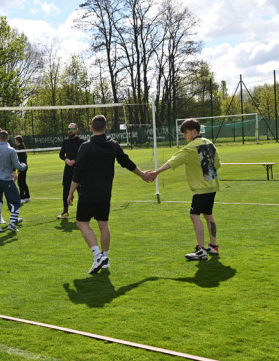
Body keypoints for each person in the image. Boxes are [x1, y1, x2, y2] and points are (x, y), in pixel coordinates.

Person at [68, 115, 151, 274]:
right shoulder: (113, 145)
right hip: (105, 193)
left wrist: (70, 193)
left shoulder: (85, 147)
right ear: (106, 128)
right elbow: (126, 162)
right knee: (103, 224)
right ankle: (104, 260)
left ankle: (98, 256)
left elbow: (78, 174)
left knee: (82, 223)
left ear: (91, 128)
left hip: (88, 193)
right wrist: (142, 175)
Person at [151, 118, 222, 261]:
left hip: (201, 188)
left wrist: (156, 172)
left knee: (194, 215)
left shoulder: (190, 148)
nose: (184, 136)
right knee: (208, 214)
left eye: (186, 133)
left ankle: (201, 249)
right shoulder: (209, 143)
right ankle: (213, 247)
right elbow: (218, 164)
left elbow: (172, 162)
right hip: (212, 185)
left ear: (194, 131)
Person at [0, 130, 27, 233]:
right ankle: (12, 224)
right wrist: (24, 166)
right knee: (16, 201)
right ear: (8, 138)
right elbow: (17, 166)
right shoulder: (11, 150)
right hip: (6, 180)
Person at [58, 122, 84, 219]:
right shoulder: (65, 141)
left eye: (72, 129)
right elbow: (61, 154)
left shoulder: (81, 141)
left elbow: (84, 155)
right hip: (68, 170)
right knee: (66, 190)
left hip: (78, 170)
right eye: (69, 129)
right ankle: (65, 212)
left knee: (80, 190)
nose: (70, 131)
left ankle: (83, 211)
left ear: (76, 130)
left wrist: (75, 161)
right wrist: (66, 159)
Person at [14, 135, 30, 202]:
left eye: (15, 140)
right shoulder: (21, 147)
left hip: (22, 167)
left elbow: (21, 160)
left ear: (17, 141)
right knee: (23, 182)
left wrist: (19, 169)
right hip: (24, 166)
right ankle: (27, 197)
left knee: (20, 183)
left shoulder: (20, 148)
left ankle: (22, 198)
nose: (15, 141)